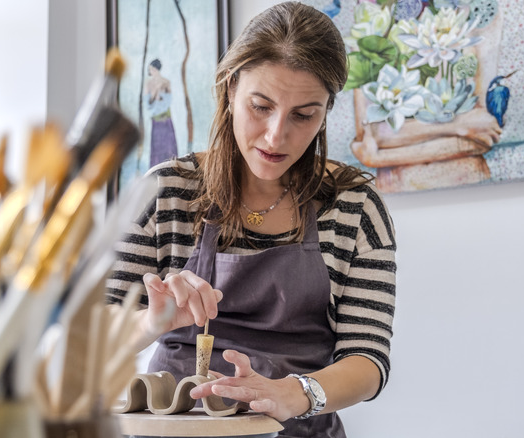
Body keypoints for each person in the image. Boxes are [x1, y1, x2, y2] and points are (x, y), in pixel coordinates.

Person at [107, 2, 396, 437]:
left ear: (325, 112)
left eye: (304, 115)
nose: (276, 135)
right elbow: (97, 342)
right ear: (229, 90)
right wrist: (151, 322)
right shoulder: (163, 193)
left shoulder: (356, 208)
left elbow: (367, 361)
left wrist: (297, 392)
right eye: (261, 106)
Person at [144, 58, 179, 167]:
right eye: (150, 70)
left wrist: (159, 99)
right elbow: (148, 105)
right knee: (157, 150)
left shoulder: (166, 82)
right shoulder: (148, 84)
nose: (151, 72)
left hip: (166, 120)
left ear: (157, 69)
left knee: (169, 148)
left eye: (152, 69)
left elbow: (167, 102)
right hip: (156, 121)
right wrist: (155, 96)